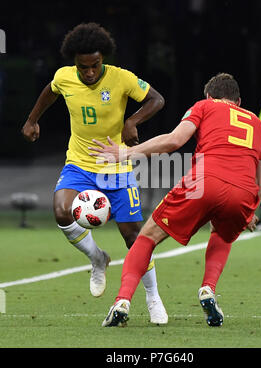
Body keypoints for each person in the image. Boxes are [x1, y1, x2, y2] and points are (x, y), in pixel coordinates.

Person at [89, 73, 261, 327]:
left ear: (209, 96)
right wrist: (249, 211)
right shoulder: (258, 124)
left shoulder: (204, 106)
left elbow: (174, 140)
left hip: (206, 181)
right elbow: (259, 180)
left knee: (147, 236)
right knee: (223, 234)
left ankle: (122, 301)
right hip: (244, 192)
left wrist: (127, 152)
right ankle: (208, 289)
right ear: (238, 102)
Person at [21, 23, 168, 324]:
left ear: (104, 58)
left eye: (95, 66)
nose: (89, 72)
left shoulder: (121, 77)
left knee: (133, 237)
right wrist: (32, 119)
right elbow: (49, 92)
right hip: (79, 164)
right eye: (83, 67)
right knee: (62, 211)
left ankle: (153, 296)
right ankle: (97, 258)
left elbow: (157, 99)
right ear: (74, 62)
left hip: (116, 166)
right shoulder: (64, 76)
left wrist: (132, 122)